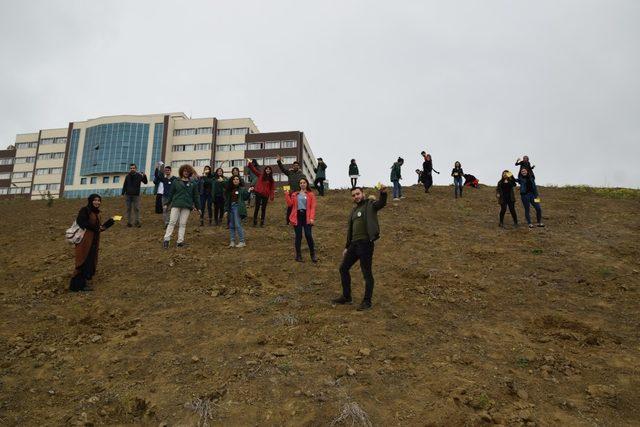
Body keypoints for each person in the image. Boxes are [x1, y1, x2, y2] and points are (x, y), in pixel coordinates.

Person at [332, 185, 388, 311]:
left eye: (357, 194)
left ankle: (367, 301)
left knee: (366, 273)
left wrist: (383, 193)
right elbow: (350, 231)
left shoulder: (370, 204)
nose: (356, 197)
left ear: (362, 193)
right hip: (354, 244)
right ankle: (347, 297)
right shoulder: (353, 211)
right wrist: (347, 246)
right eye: (353, 195)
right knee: (343, 268)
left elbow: (381, 204)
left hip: (366, 244)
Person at [69, 194, 115, 292]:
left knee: (89, 262)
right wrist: (95, 228)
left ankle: (82, 285)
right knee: (82, 261)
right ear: (90, 201)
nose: (97, 202)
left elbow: (99, 229)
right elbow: (82, 222)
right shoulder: (85, 210)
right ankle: (75, 286)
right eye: (95, 200)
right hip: (84, 241)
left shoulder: (97, 213)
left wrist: (109, 223)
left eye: (99, 200)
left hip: (93, 242)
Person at [162, 165, 201, 248]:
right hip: (176, 204)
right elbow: (171, 194)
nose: (186, 172)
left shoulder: (193, 183)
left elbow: (196, 196)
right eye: (184, 171)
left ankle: (180, 242)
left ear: (190, 172)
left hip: (187, 206)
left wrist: (198, 207)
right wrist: (167, 203)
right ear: (181, 172)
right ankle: (166, 240)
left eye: (187, 171)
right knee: (172, 222)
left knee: (183, 224)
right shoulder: (176, 181)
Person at [285, 178, 318, 262]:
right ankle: (298, 256)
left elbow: (313, 207)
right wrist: (286, 194)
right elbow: (290, 204)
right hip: (297, 216)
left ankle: (313, 254)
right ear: (299, 185)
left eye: (304, 182)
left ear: (307, 184)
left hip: (307, 216)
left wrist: (311, 218)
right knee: (298, 236)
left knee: (308, 235)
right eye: (301, 183)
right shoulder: (295, 194)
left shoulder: (311, 194)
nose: (302, 184)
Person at [276, 155, 307, 225]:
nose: (295, 166)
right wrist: (278, 161)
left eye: (297, 165)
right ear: (293, 166)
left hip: (298, 194)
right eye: (294, 165)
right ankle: (288, 221)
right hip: (290, 193)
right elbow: (282, 169)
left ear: (299, 167)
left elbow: (305, 184)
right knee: (290, 207)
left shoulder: (302, 175)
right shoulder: (290, 173)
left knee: (298, 208)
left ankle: (298, 221)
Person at [247, 160, 276, 226]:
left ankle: (262, 222)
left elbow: (272, 188)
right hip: (259, 193)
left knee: (263, 208)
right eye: (267, 169)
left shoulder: (271, 180)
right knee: (257, 207)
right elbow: (254, 170)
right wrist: (250, 164)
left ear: (270, 171)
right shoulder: (261, 175)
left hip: (266, 195)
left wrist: (272, 196)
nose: (268, 170)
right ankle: (255, 221)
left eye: (269, 169)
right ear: (265, 170)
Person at [225, 175, 251, 247]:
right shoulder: (229, 190)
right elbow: (227, 201)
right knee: (231, 225)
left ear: (239, 181)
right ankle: (232, 241)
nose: (235, 180)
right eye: (234, 179)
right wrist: (226, 210)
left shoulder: (242, 189)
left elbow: (246, 197)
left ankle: (242, 241)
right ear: (232, 181)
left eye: (237, 179)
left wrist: (249, 191)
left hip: (238, 207)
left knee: (238, 224)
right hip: (231, 208)